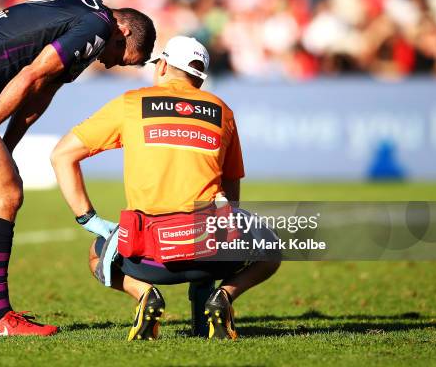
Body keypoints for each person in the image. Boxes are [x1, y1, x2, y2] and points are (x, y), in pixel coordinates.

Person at [0, 0, 156, 336]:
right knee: (6, 193)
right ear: (124, 30)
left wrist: (4, 146)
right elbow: (28, 76)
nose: (113, 64)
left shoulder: (86, 22)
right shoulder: (98, 26)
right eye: (121, 56)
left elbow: (39, 91)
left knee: (2, 195)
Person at [50, 36, 280, 340]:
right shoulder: (221, 110)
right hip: (210, 255)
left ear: (163, 66)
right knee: (272, 248)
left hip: (148, 260)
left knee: (95, 254)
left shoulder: (131, 103)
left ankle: (144, 294)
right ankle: (223, 296)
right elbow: (231, 187)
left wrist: (88, 218)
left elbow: (62, 155)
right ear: (199, 78)